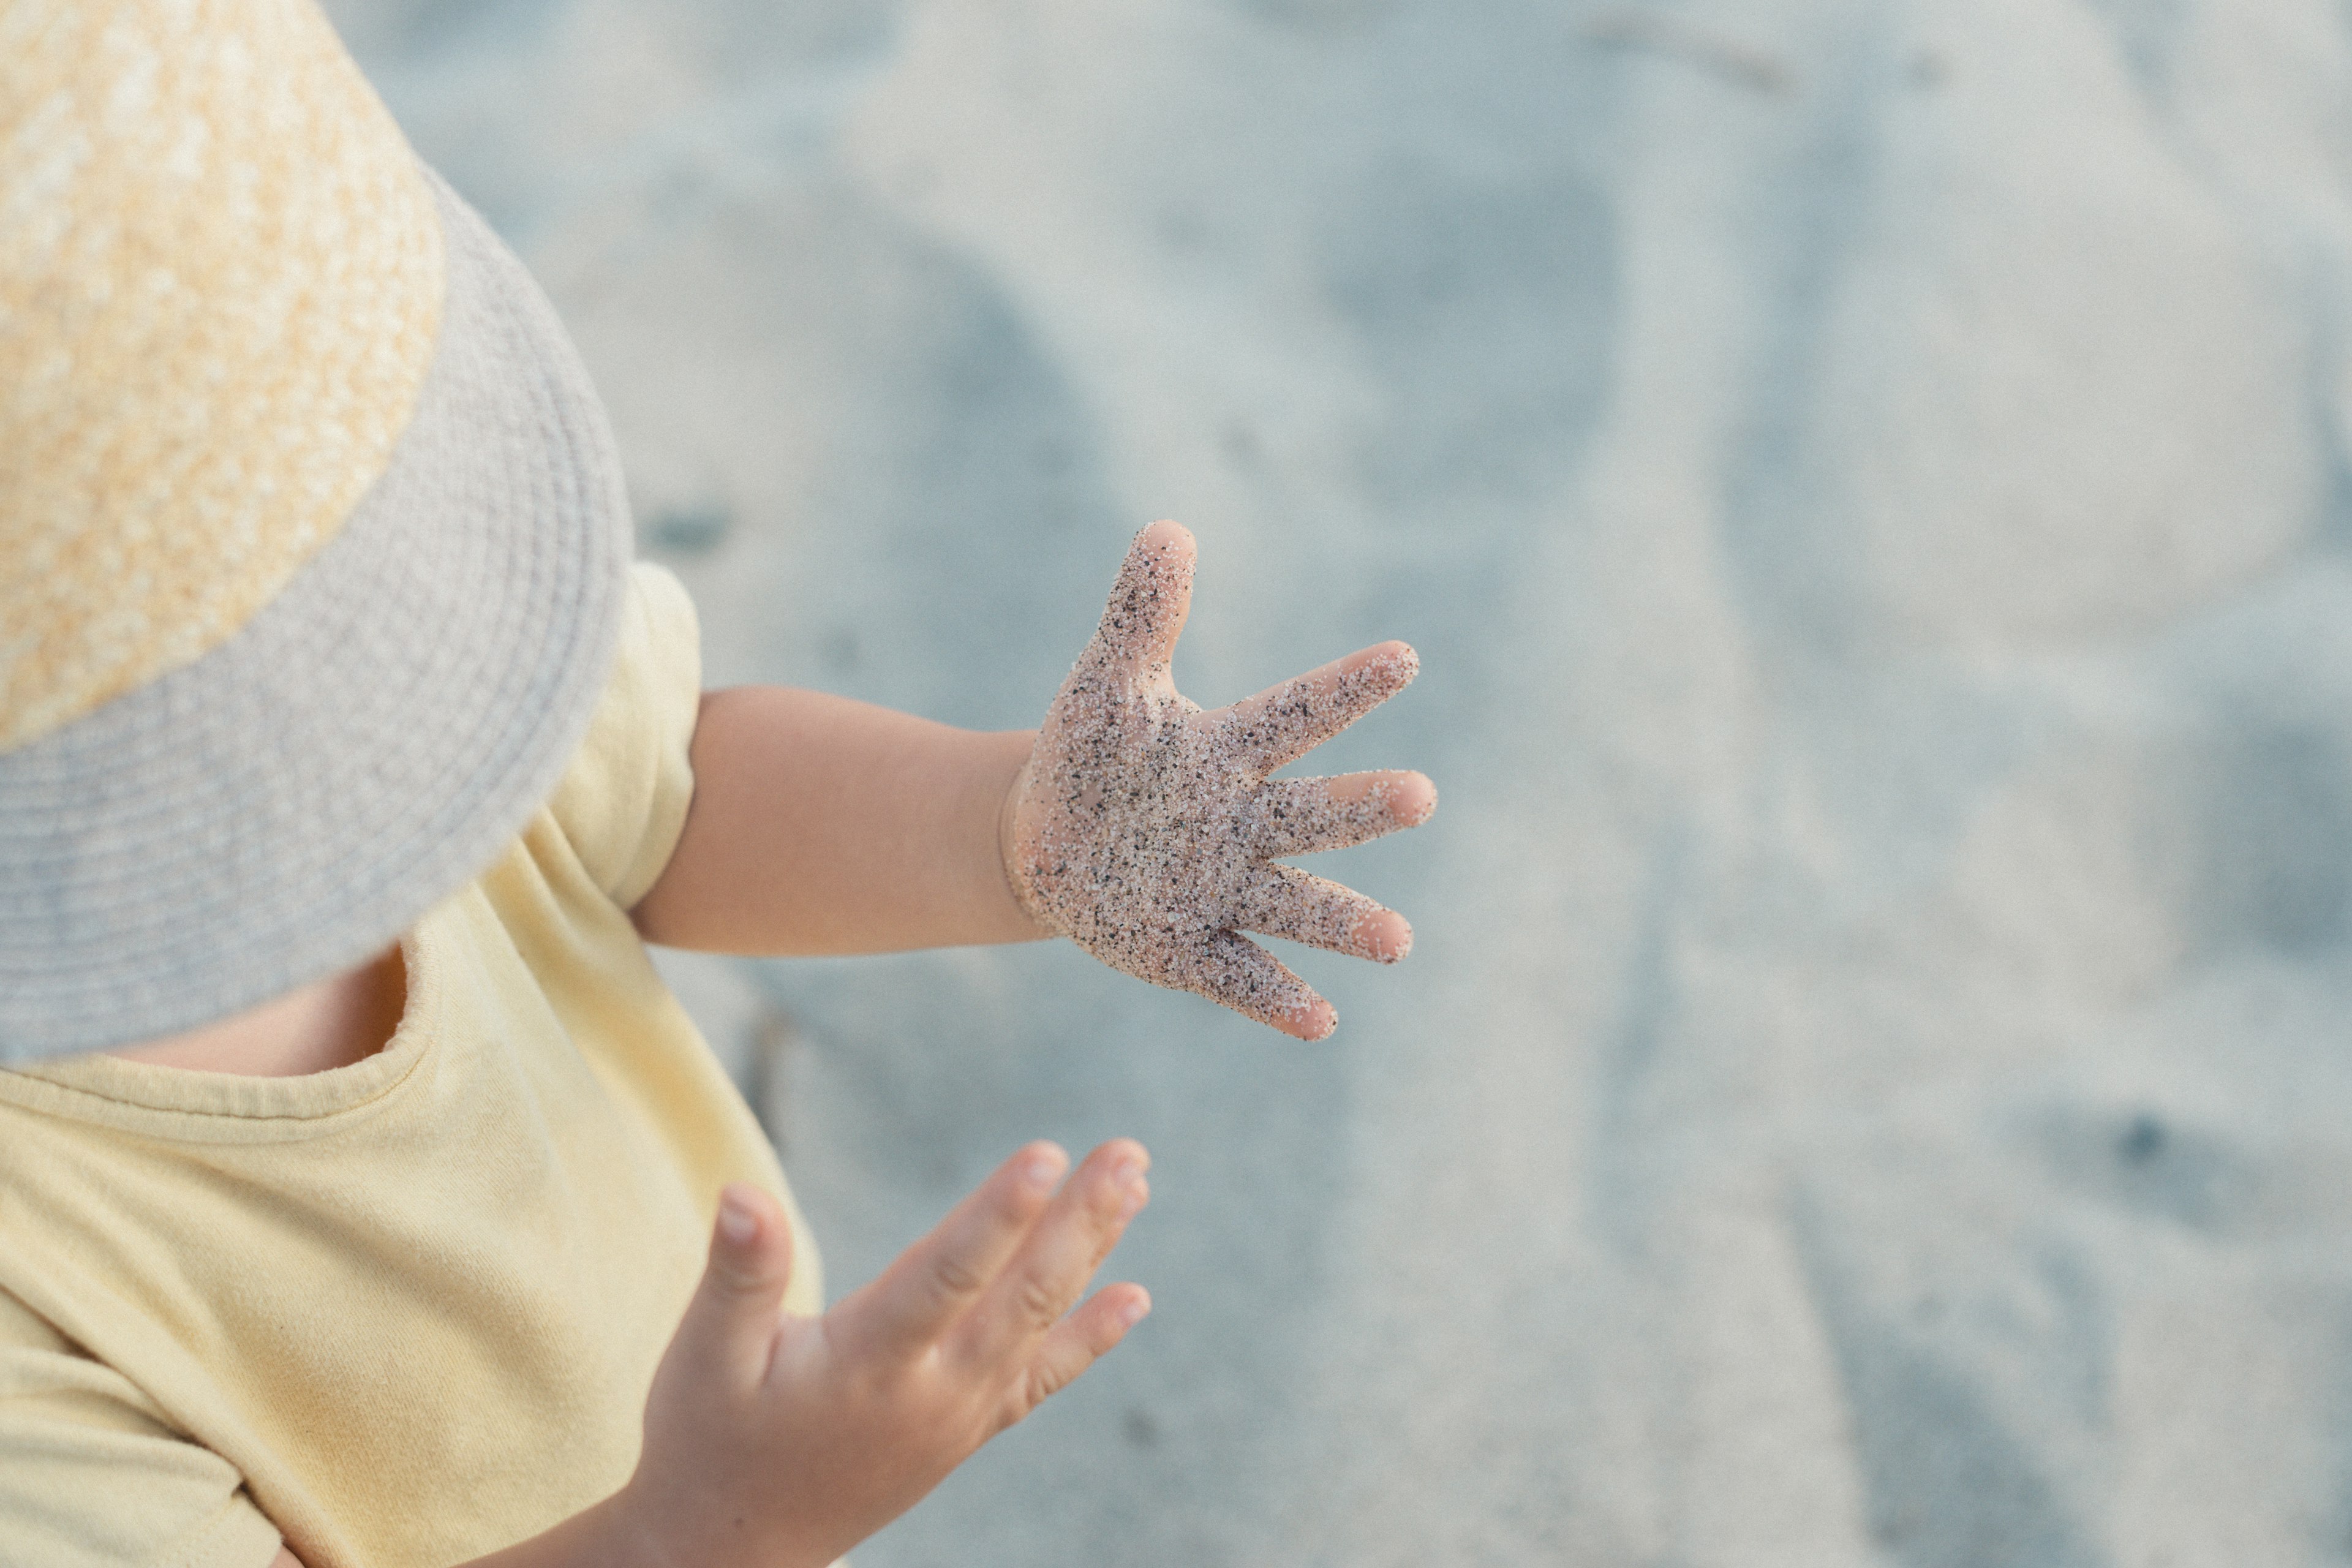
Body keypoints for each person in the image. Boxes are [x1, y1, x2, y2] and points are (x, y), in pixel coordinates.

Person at [0, 2, 1434, 1566]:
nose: (374, 635)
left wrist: (1004, 830)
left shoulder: (384, 583)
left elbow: (669, 788)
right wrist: (701, 1527)